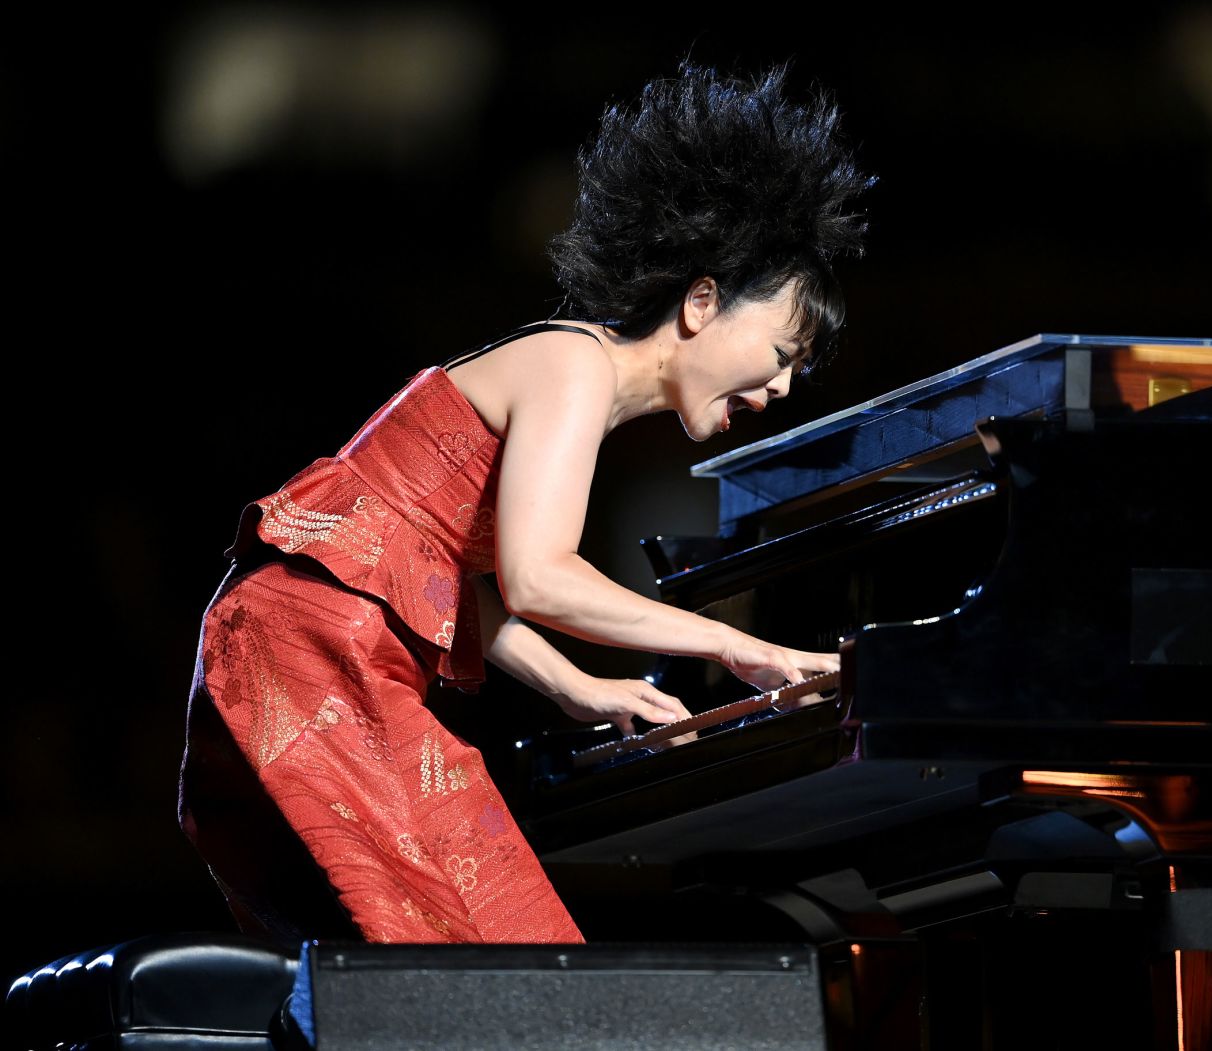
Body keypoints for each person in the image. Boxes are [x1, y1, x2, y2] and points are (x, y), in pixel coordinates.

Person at [177, 62, 873, 945]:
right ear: (702, 302)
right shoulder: (575, 365)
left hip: (302, 639)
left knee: (486, 959)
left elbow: (435, 574)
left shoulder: (574, 375)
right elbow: (539, 577)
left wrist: (577, 685)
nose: (777, 388)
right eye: (777, 353)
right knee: (493, 959)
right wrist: (739, 645)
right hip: (309, 644)